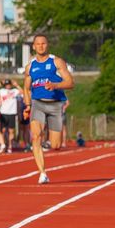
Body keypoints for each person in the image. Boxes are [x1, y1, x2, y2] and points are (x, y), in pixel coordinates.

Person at [23, 34, 75, 183]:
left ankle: (49, 135)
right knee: (36, 136)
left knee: (55, 145)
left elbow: (71, 83)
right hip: (37, 104)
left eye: (43, 43)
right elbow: (26, 89)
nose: (40, 46)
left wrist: (56, 85)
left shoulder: (56, 62)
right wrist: (27, 105)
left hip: (54, 104)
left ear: (47, 45)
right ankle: (42, 173)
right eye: (37, 44)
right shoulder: (30, 66)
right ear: (33, 46)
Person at [0, 78, 20, 152]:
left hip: (12, 113)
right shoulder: (1, 91)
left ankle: (10, 146)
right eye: (6, 85)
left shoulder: (14, 91)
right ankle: (3, 144)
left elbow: (23, 92)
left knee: (11, 131)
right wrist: (0, 84)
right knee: (3, 130)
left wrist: (17, 85)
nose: (8, 86)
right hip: (3, 112)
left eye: (9, 84)